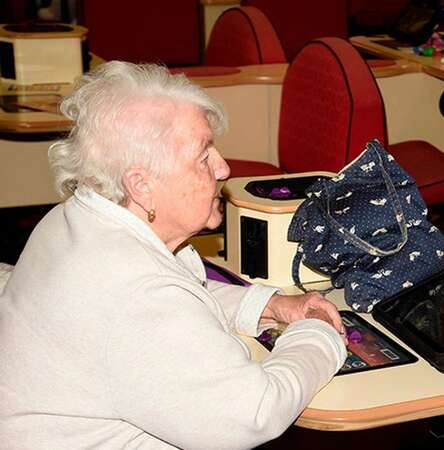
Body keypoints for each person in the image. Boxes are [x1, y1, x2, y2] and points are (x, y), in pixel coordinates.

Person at [0, 61, 347, 449]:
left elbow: (178, 293)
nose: (223, 167)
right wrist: (319, 332)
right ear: (142, 186)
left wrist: (273, 305)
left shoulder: (73, 219)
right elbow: (254, 414)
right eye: (203, 156)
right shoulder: (135, 297)